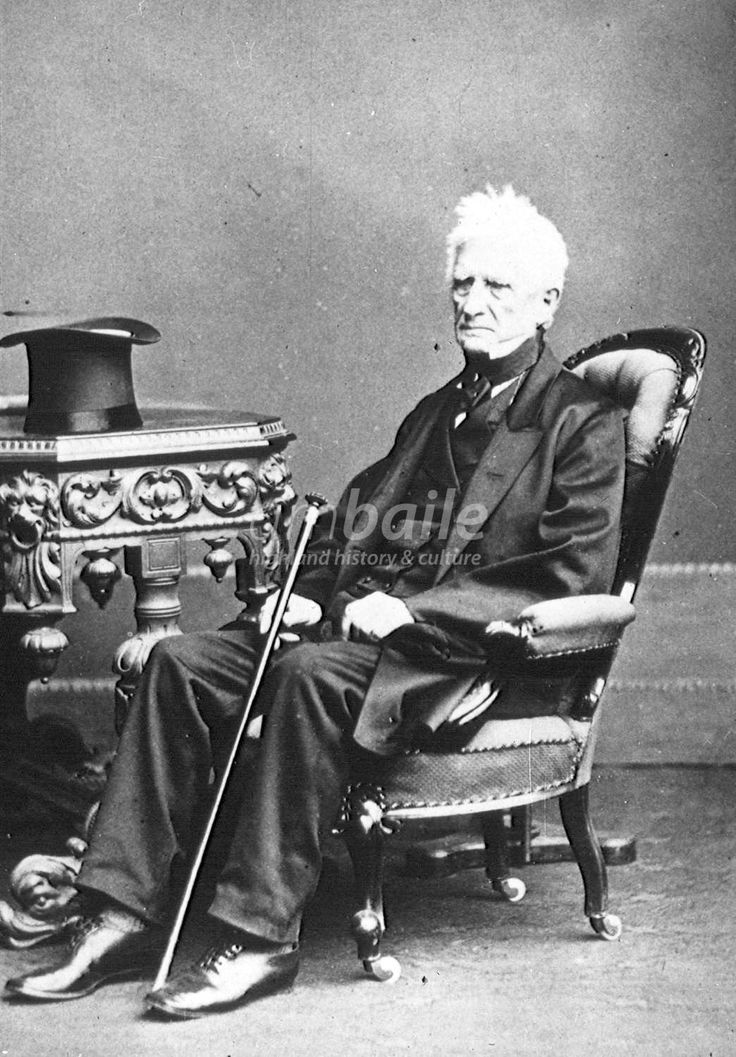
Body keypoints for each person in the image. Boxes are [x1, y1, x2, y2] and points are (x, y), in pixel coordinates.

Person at [5, 184, 625, 1018]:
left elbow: (572, 572)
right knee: (178, 661)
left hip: (471, 657)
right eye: (462, 285)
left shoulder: (581, 421)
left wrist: (417, 613)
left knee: (307, 676)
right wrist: (304, 593)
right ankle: (122, 911)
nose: (471, 304)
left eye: (496, 289)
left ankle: (258, 940)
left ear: (547, 301)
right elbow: (357, 521)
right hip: (361, 636)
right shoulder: (437, 409)